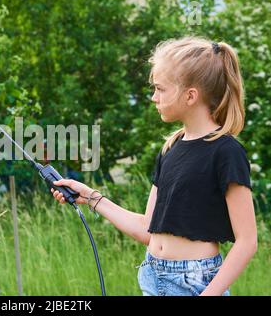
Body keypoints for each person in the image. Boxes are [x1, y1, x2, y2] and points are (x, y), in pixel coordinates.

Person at [50, 36, 257, 296]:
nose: (153, 97)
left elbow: (247, 242)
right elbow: (147, 229)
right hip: (153, 276)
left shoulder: (226, 152)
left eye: (160, 89)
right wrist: (89, 197)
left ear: (190, 95)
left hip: (194, 284)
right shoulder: (171, 148)